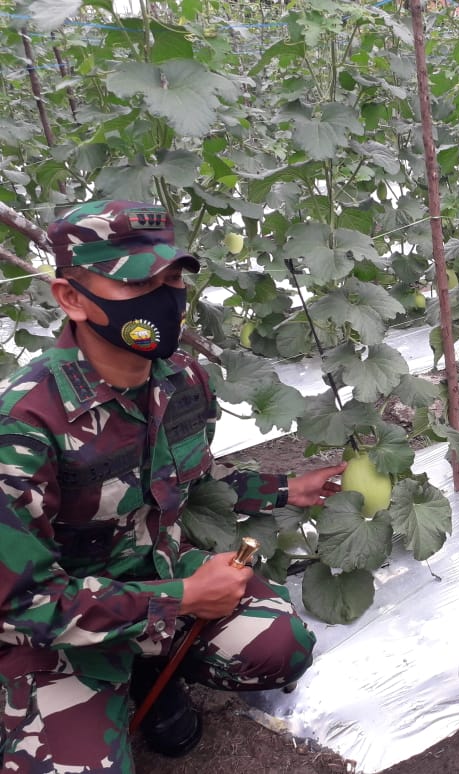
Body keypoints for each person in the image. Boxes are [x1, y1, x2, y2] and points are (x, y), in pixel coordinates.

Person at [0, 200, 346, 770]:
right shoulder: (23, 423)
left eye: (171, 278)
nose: (164, 298)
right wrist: (182, 599)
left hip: (154, 577)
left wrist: (288, 490)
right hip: (56, 629)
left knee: (280, 647)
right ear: (71, 298)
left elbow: (192, 476)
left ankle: (151, 667)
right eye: (137, 283)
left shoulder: (182, 378)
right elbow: (20, 603)